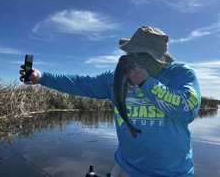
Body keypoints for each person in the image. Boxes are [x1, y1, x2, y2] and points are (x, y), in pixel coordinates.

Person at [19, 26, 201, 177]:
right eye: (128, 52)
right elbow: (79, 82)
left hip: (173, 173)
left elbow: (188, 111)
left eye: (134, 54)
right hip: (126, 166)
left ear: (153, 56)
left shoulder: (180, 74)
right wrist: (42, 77)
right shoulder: (114, 77)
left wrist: (147, 83)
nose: (129, 57)